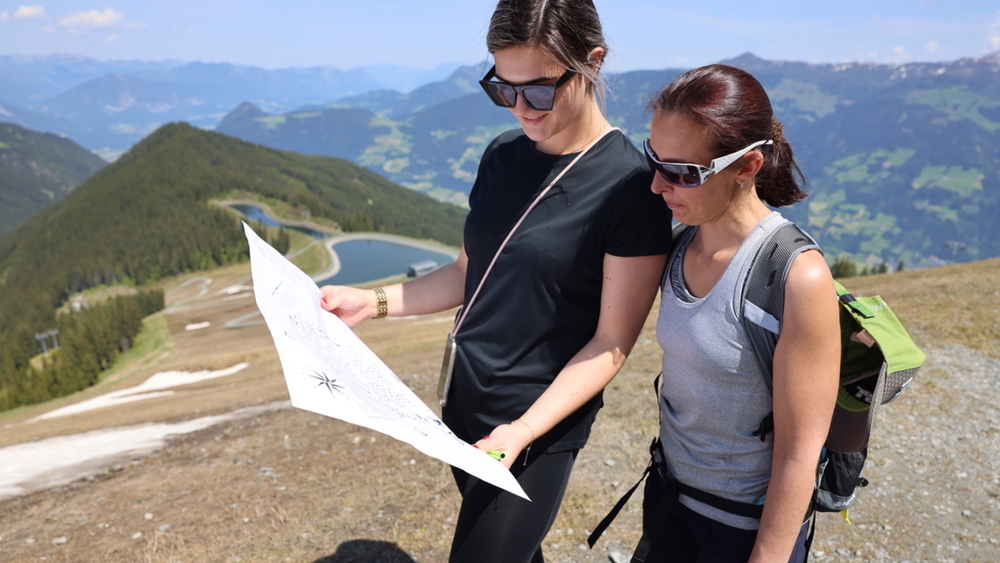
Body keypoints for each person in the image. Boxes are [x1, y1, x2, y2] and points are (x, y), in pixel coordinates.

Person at [319, 1, 672, 562]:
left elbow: (611, 344)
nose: (519, 109)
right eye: (502, 89)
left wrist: (523, 431)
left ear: (592, 62)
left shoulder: (631, 187)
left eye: (537, 90)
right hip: (463, 401)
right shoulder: (502, 156)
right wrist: (372, 300)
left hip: (536, 426)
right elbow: (467, 272)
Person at [638, 64, 841, 563]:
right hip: (668, 497)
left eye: (682, 172)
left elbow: (800, 453)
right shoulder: (681, 244)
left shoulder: (796, 277)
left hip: (743, 530)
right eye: (653, 159)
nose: (657, 185)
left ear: (747, 166)